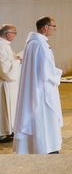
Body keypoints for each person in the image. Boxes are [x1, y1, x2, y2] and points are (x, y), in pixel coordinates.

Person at [13, 17, 63, 154]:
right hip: (42, 90)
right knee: (44, 118)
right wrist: (59, 73)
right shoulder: (41, 45)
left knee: (36, 117)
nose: (55, 29)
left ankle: (34, 146)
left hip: (34, 88)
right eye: (54, 26)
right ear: (45, 27)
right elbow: (46, 72)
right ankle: (46, 147)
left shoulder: (31, 43)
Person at [0, 24, 21, 143]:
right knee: (3, 109)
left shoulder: (5, 45)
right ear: (8, 34)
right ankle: (3, 133)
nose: (15, 35)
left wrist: (16, 58)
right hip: (4, 84)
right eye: (15, 33)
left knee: (8, 109)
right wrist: (18, 61)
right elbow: (5, 70)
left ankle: (7, 131)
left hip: (8, 85)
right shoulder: (1, 46)